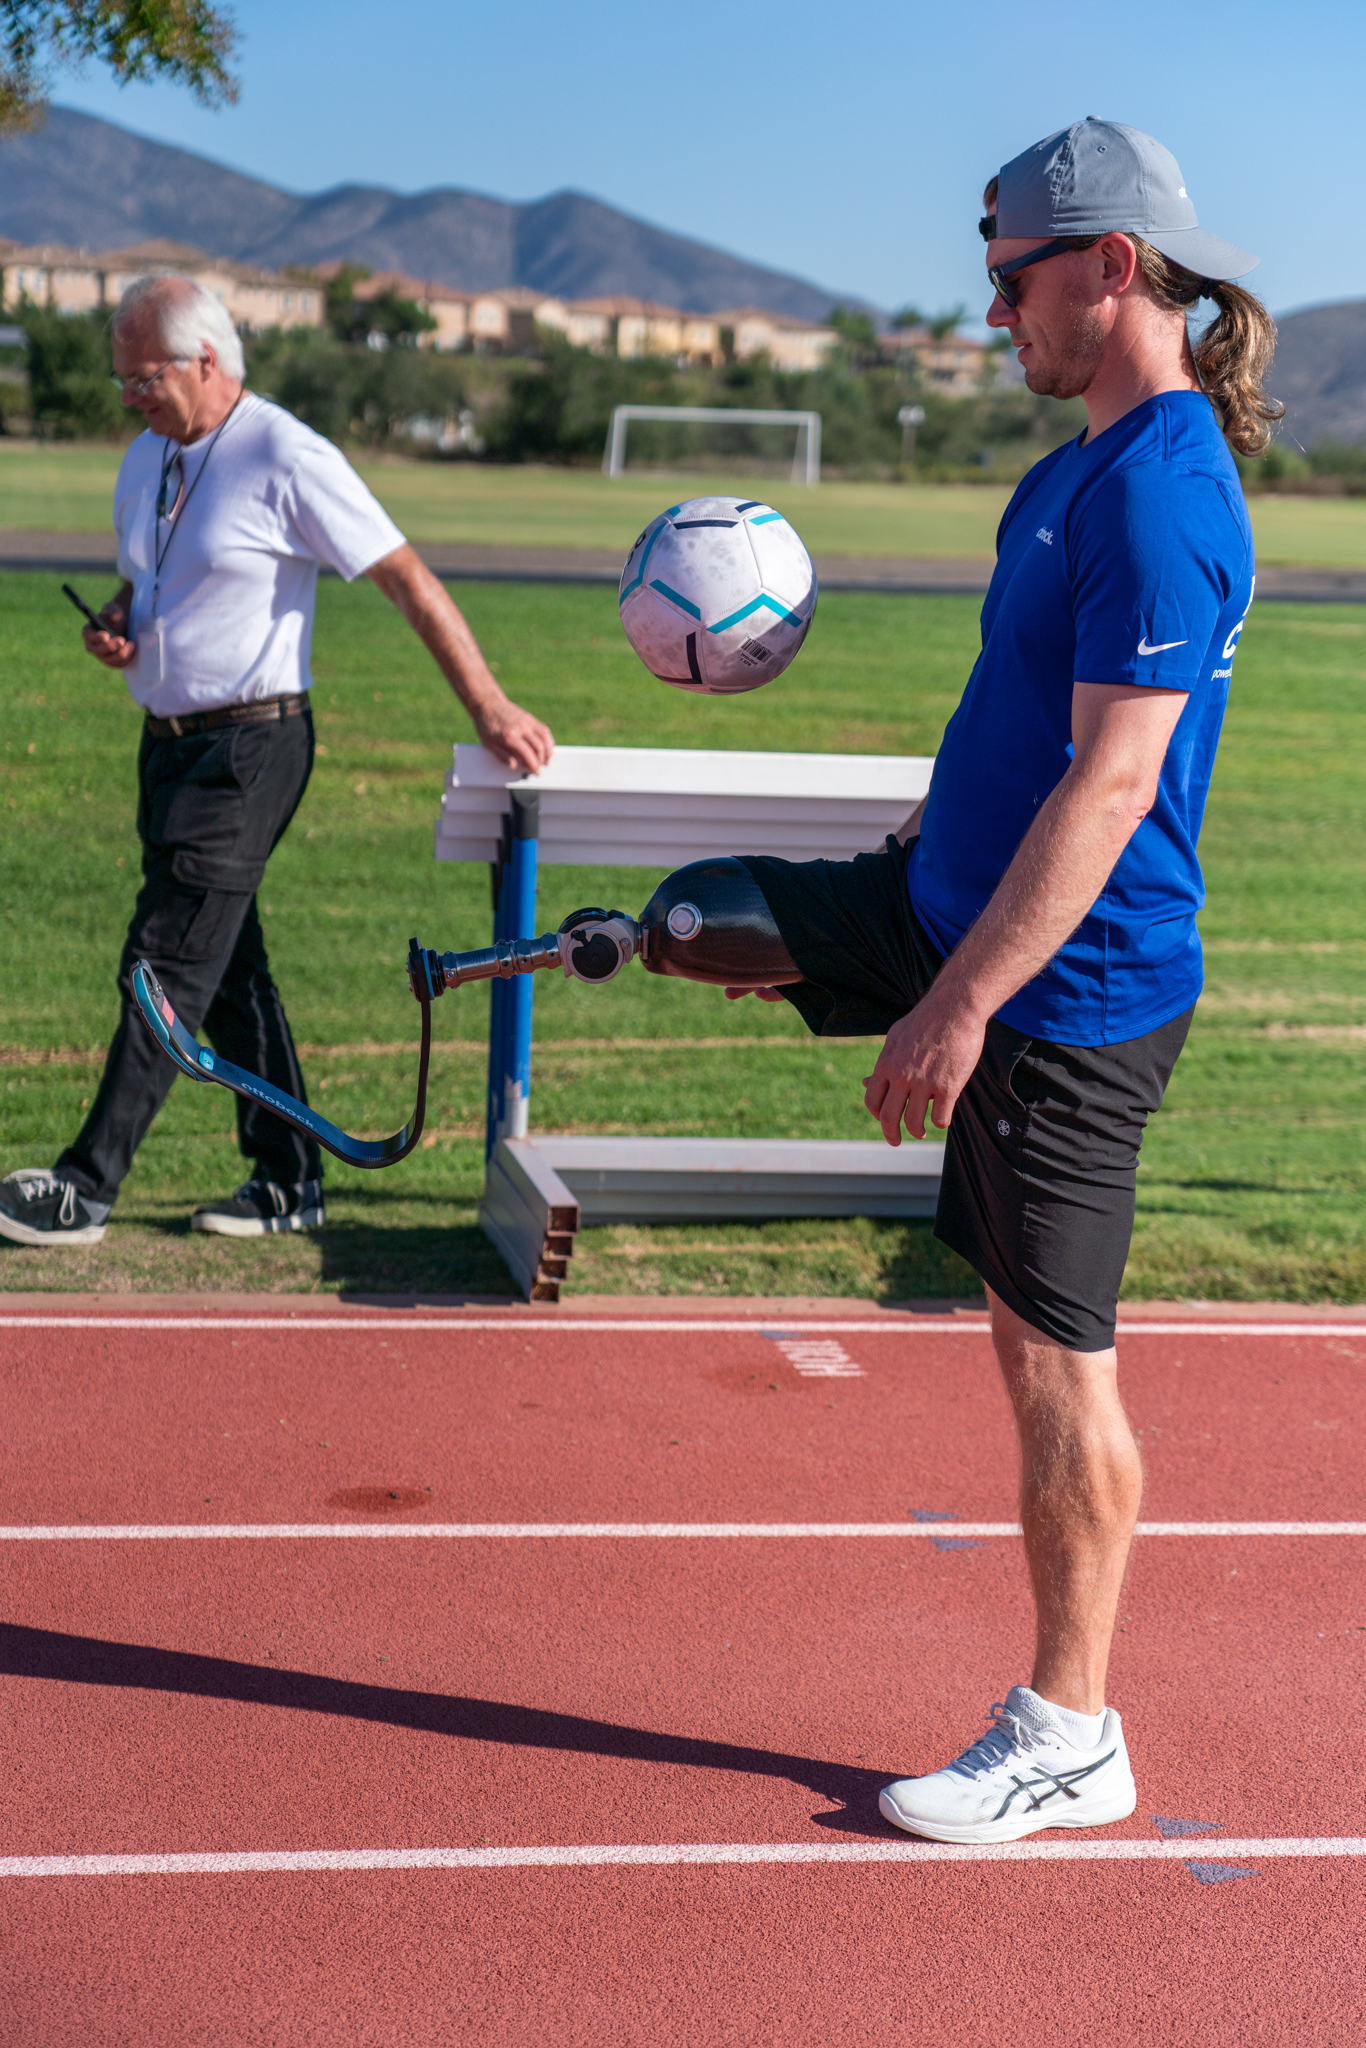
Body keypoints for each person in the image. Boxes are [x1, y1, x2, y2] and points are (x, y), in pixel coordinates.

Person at [730, 120, 1280, 1841]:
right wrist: (890, 896)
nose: (991, 315)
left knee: (1054, 1354)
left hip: (1070, 989)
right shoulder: (1064, 476)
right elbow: (1009, 730)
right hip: (946, 900)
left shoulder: (1171, 491)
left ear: (1111, 265)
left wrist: (956, 1004)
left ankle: (1074, 1729)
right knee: (694, 914)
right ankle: (663, 943)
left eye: (1010, 279)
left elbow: (1111, 788)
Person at [0, 272, 553, 1250]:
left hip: (251, 748)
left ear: (205, 361)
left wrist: (491, 703)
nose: (127, 393)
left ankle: (86, 1188)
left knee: (162, 963)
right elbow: (147, 579)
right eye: (121, 376)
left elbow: (407, 580)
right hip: (166, 749)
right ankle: (290, 1176)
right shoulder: (147, 458)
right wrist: (122, 628)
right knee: (224, 967)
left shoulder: (286, 453)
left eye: (142, 376)